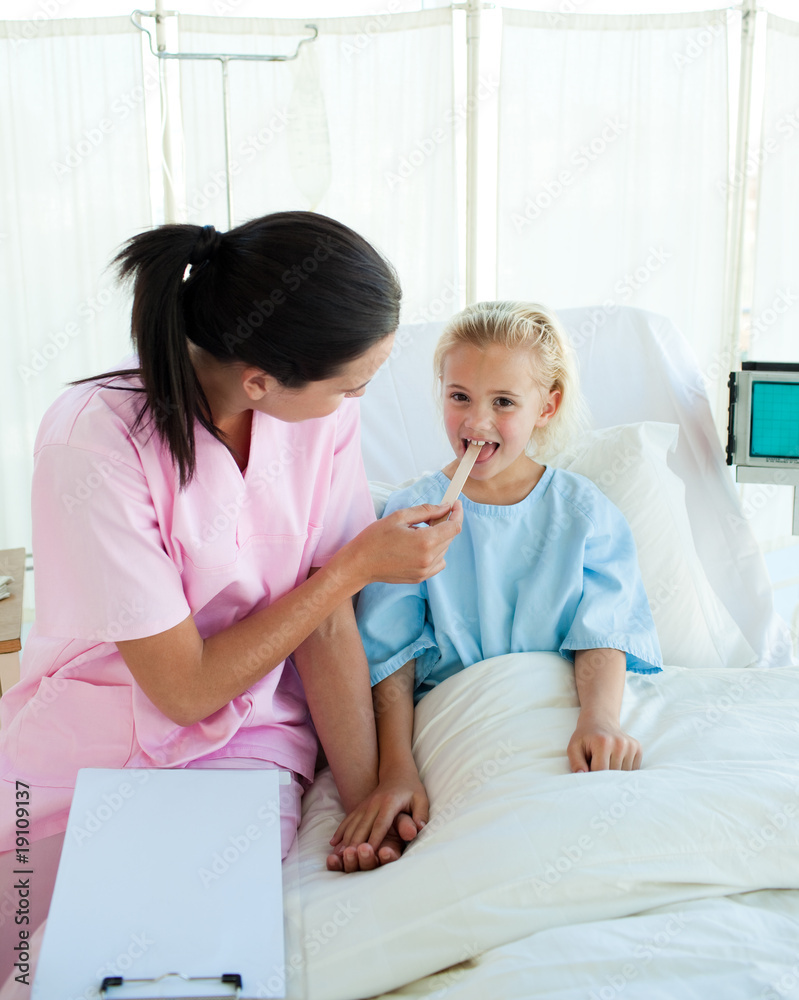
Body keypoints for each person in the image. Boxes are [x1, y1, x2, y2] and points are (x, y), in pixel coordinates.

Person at [0, 212, 464, 980]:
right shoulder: (94, 442)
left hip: (243, 738)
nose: (358, 396)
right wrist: (351, 569)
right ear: (259, 382)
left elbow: (324, 624)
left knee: (140, 968)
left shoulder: (319, 421)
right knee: (27, 957)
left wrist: (370, 796)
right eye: (351, 382)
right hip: (86, 733)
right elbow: (183, 691)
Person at [328, 301, 663, 874]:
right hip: (461, 723)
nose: (476, 423)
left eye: (503, 402)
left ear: (546, 406)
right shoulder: (411, 515)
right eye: (459, 396)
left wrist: (600, 721)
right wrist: (396, 769)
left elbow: (603, 634)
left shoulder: (585, 513)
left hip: (557, 716)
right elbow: (391, 660)